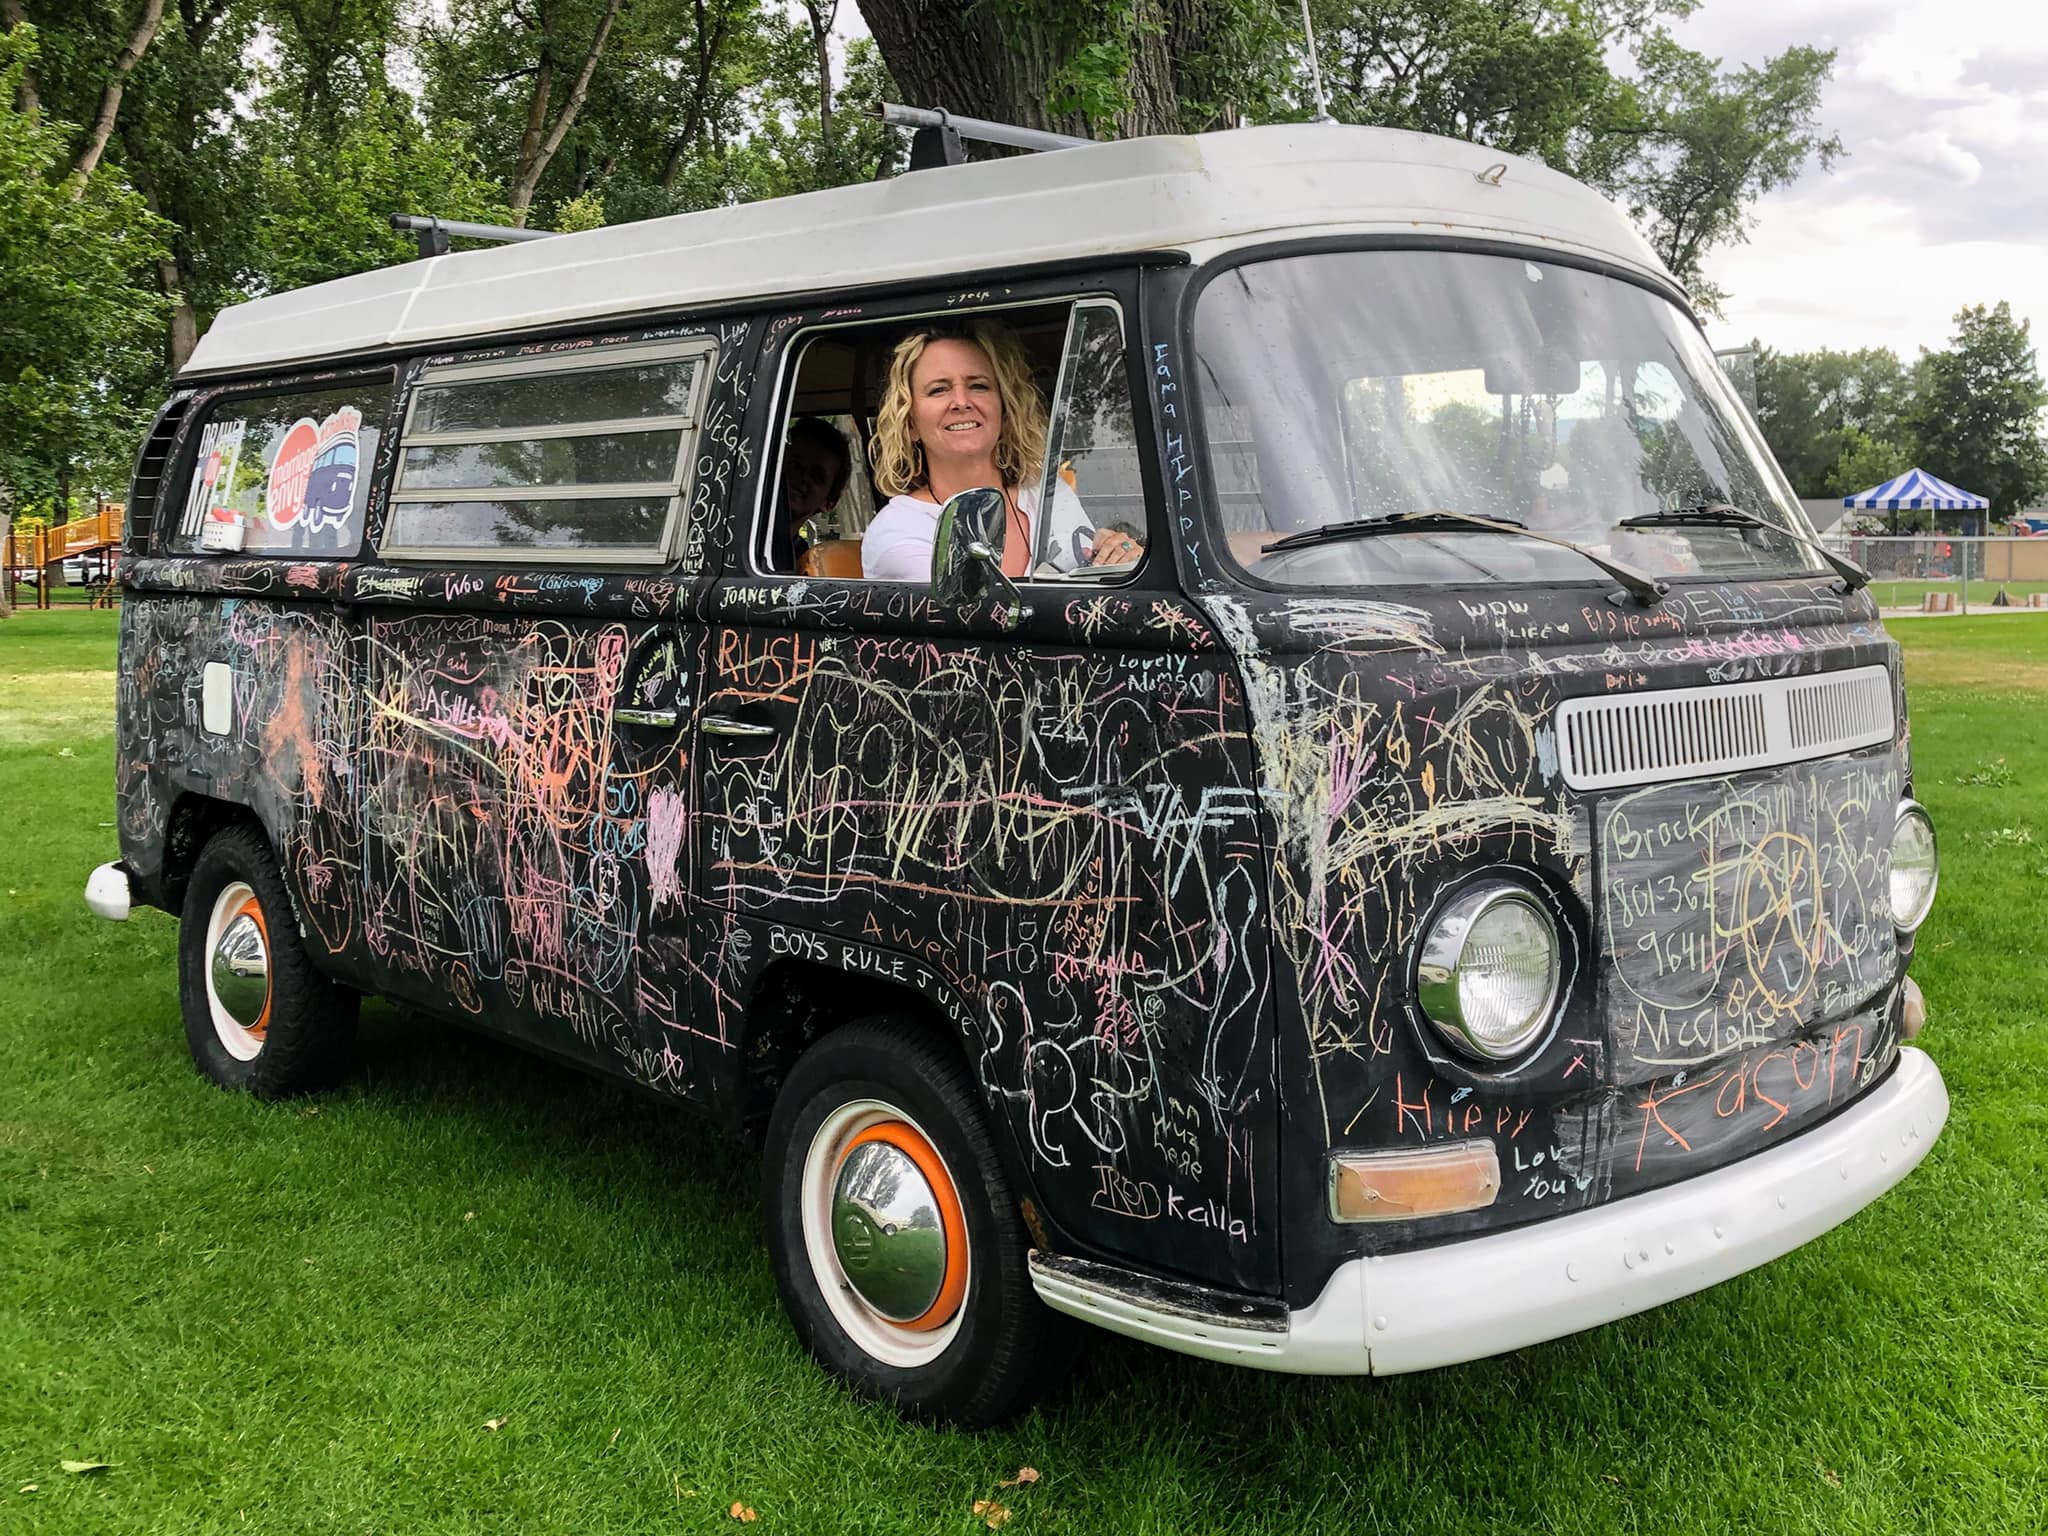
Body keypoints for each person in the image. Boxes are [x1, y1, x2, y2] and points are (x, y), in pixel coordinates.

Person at [861, 322, 1143, 582]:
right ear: (910, 424)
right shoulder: (898, 533)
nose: (961, 401)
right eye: (938, 390)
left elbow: (1097, 583)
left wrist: (1120, 556)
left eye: (978, 386)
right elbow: (987, 618)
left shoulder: (1047, 494)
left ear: (1006, 410)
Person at [772, 416, 853, 571]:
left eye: (817, 476)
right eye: (794, 464)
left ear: (829, 502)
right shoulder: (740, 537)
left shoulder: (807, 563)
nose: (802, 477)